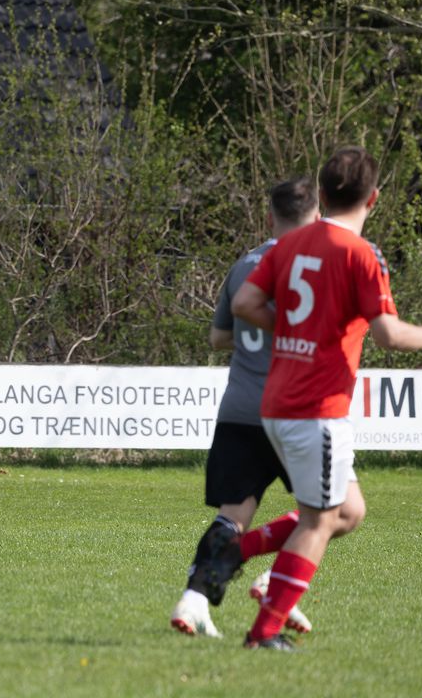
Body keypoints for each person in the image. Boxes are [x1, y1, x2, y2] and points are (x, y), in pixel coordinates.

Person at [232, 146, 422, 650]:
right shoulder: (361, 254)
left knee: (348, 511)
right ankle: (264, 632)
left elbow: (246, 303)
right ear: (373, 198)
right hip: (316, 407)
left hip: (278, 401)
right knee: (319, 521)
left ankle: (239, 549)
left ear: (323, 192)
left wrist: (293, 330)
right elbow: (389, 336)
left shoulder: (288, 244)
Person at [171, 177, 319, 639]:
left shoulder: (244, 264)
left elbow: (218, 338)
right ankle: (276, 584)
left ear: (269, 215)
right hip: (295, 409)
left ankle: (194, 599)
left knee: (233, 515)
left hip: (240, 408)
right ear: (316, 214)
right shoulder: (313, 264)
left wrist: (255, 342)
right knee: (330, 513)